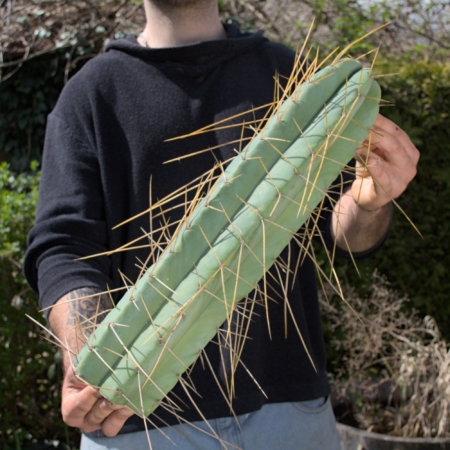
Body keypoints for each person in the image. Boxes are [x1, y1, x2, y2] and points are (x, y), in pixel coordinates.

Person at [24, 0, 419, 449]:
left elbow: (343, 233)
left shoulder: (297, 77)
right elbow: (64, 246)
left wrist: (370, 203)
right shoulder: (91, 93)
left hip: (289, 410)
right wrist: (91, 356)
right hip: (138, 420)